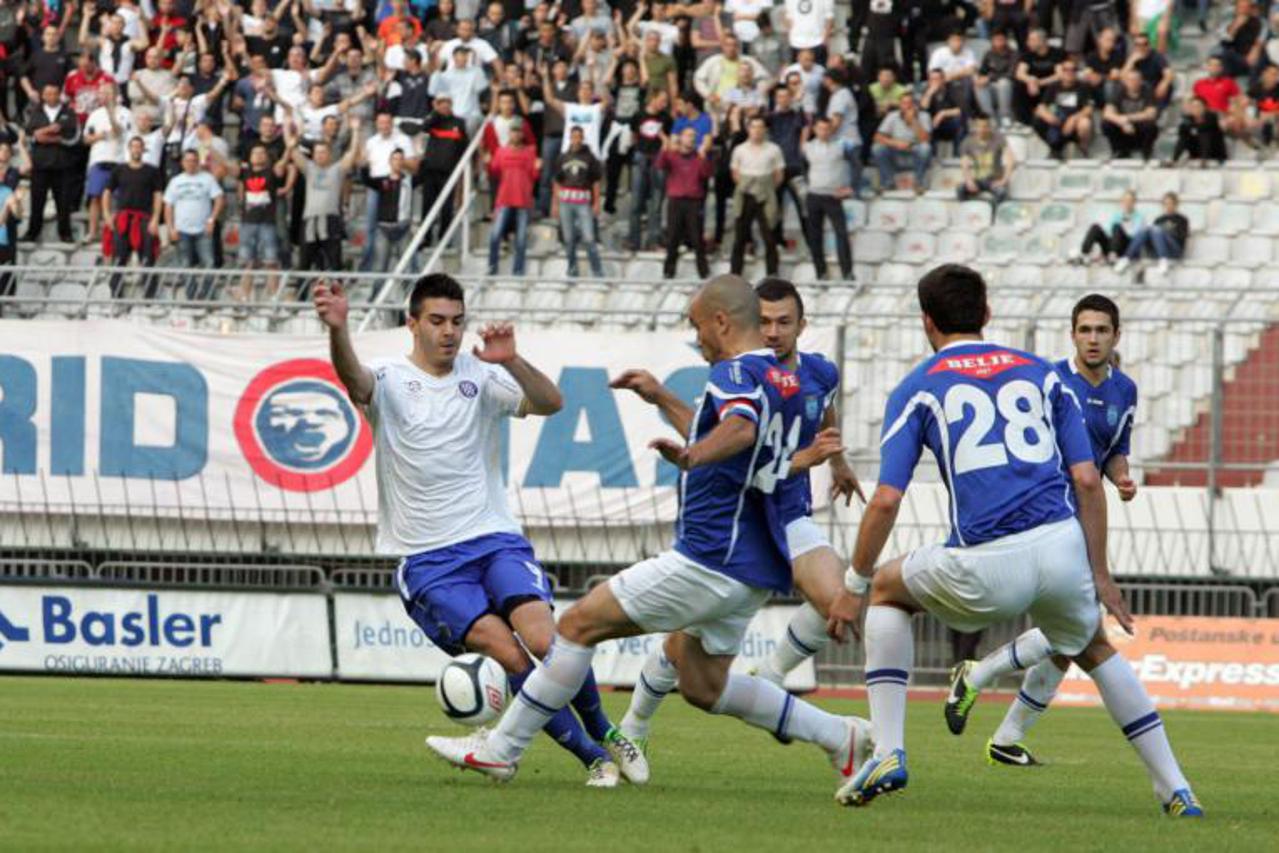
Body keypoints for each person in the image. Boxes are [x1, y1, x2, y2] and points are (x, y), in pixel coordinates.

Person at [425, 274, 871, 791]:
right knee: (705, 687)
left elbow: (742, 429)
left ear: (721, 322)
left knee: (576, 625)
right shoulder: (786, 381)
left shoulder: (734, 372)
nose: (697, 336)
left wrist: (694, 455)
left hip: (708, 557)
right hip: (752, 568)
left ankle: (501, 749)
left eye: (697, 325)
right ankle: (841, 736)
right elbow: (768, 461)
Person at [833, 264, 1202, 820]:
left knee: (886, 589)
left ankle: (888, 751)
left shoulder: (917, 386)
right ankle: (1176, 789)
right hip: (1060, 547)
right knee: (1095, 650)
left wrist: (852, 586)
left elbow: (885, 499)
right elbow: (1085, 479)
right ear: (987, 314)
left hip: (985, 561)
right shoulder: (1042, 374)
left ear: (926, 322)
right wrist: (1100, 575)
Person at [314, 274, 643, 788]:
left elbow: (551, 402)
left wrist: (510, 359)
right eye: (438, 321)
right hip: (428, 558)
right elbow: (355, 380)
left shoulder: (480, 374)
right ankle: (592, 759)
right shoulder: (389, 379)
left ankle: (605, 729)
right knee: (508, 653)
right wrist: (338, 329)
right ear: (413, 323)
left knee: (546, 637)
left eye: (457, 322)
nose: (449, 332)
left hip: (493, 536)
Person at [618, 279, 868, 712]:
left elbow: (824, 417)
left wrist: (839, 463)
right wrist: (661, 396)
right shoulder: (741, 373)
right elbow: (726, 443)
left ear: (801, 325)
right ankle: (636, 726)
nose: (773, 332)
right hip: (745, 518)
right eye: (765, 321)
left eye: (784, 322)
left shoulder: (821, 373)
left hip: (789, 516)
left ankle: (771, 672)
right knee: (685, 652)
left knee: (841, 603)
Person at [981, 293, 1140, 767]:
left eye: (1102, 330)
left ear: (1116, 335)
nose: (1093, 339)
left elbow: (1113, 449)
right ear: (1072, 334)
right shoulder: (1049, 381)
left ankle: (1006, 735)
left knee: (1070, 637)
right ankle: (979, 679)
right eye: (1085, 330)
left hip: (1084, 516)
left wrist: (1123, 475)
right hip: (1047, 516)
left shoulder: (1125, 390)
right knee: (1076, 630)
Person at [290, 121, 363, 283]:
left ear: (329, 154)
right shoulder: (309, 168)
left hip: (330, 220)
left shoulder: (336, 169)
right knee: (304, 263)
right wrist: (293, 136)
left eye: (323, 152)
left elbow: (351, 154)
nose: (320, 156)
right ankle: (300, 302)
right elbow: (293, 152)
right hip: (310, 221)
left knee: (335, 263)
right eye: (317, 153)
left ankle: (338, 299)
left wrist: (356, 131)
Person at [103, 135, 164, 299]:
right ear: (129, 149)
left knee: (148, 257)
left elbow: (158, 195)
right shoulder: (119, 170)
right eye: (133, 146)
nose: (136, 149)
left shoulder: (152, 171)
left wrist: (155, 218)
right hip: (123, 218)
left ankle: (150, 298)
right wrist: (107, 214)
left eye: (139, 146)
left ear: (143, 150)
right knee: (119, 258)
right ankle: (116, 296)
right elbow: (107, 192)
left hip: (144, 218)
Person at [163, 149, 224, 300]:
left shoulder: (207, 179)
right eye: (188, 160)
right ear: (182, 163)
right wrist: (171, 228)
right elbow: (168, 206)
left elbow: (219, 199)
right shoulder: (175, 181)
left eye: (194, 160)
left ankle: (207, 294)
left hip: (204, 229)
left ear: (198, 162)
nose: (191, 163)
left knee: (209, 263)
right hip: (182, 230)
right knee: (185, 264)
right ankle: (192, 296)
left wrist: (212, 220)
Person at [23, 82, 80, 243]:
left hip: (63, 165)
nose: (51, 96)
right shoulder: (34, 112)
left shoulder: (69, 113)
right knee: (37, 202)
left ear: (59, 94)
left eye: (54, 93)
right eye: (48, 93)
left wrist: (50, 137)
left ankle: (65, 233)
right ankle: (32, 233)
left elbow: (74, 138)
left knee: (63, 202)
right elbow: (27, 136)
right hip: (40, 166)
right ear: (42, 95)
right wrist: (42, 134)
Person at [656, 126, 714, 280]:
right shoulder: (672, 155)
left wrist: (703, 156)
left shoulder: (698, 157)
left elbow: (706, 173)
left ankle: (703, 272)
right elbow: (660, 164)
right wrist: (664, 145)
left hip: (694, 202)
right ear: (681, 138)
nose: (691, 138)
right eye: (688, 135)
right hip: (675, 200)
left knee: (697, 239)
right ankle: (668, 272)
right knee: (673, 238)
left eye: (694, 136)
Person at [236, 140, 291, 300]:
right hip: (248, 222)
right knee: (247, 262)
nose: (259, 155)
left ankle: (274, 296)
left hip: (268, 223)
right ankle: (244, 296)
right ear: (250, 157)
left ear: (267, 157)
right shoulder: (244, 173)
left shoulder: (271, 172)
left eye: (262, 153)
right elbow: (228, 167)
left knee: (271, 261)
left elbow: (282, 165)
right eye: (255, 153)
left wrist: (289, 147)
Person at [729, 115, 784, 275]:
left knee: (769, 237)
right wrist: (746, 185)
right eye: (754, 127)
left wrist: (766, 188)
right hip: (745, 193)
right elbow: (735, 172)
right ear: (748, 129)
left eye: (760, 127)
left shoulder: (774, 149)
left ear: (765, 129)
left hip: (766, 194)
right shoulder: (740, 149)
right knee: (739, 238)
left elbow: (779, 174)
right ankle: (735, 273)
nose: (757, 131)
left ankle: (772, 273)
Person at [802, 115, 855, 281]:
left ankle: (847, 272)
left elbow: (857, 165)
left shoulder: (840, 146)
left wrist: (851, 186)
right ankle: (821, 273)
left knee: (841, 234)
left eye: (827, 128)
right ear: (815, 130)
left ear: (831, 129)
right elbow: (803, 167)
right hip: (814, 195)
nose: (824, 132)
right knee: (815, 236)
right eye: (820, 128)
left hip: (833, 196)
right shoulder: (808, 147)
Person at [83, 82, 134, 245]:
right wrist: (102, 135)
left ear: (116, 94)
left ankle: (117, 231)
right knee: (95, 197)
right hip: (98, 160)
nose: (104, 95)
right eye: (101, 92)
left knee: (118, 199)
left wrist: (112, 116)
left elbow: (120, 132)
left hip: (119, 161)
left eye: (107, 92)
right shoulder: (95, 115)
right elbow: (86, 138)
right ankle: (93, 232)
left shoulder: (126, 113)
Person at [487, 115, 539, 276]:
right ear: (509, 134)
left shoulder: (530, 153)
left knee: (521, 240)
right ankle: (492, 267)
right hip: (504, 199)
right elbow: (494, 172)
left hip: (523, 200)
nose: (516, 135)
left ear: (522, 134)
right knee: (495, 236)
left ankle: (518, 270)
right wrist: (487, 162)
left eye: (518, 132)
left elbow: (534, 175)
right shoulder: (500, 151)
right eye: (513, 132)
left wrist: (538, 167)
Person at [552, 126, 605, 278]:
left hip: (583, 201)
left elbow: (595, 181)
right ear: (570, 138)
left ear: (582, 138)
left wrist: (596, 202)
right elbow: (557, 181)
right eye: (574, 136)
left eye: (579, 136)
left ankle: (597, 269)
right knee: (568, 239)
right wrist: (555, 203)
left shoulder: (589, 157)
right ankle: (572, 267)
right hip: (566, 201)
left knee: (589, 238)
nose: (576, 139)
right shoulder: (563, 157)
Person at [1114, 192, 1188, 276]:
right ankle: (1126, 258)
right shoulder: (1159, 219)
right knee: (1146, 229)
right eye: (1166, 203)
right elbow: (1153, 237)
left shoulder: (1182, 219)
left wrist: (1164, 232)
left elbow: (1181, 238)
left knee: (1156, 229)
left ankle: (1163, 260)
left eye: (1170, 203)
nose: (1168, 206)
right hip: (1158, 250)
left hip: (1174, 250)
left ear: (1176, 204)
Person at [871, 92, 932, 194]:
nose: (907, 106)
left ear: (915, 105)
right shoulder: (892, 116)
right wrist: (895, 143)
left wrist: (914, 121)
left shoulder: (924, 116)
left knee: (925, 148)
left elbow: (925, 139)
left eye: (910, 103)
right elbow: (877, 137)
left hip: (914, 150)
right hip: (896, 150)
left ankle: (918, 183)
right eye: (904, 103)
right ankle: (888, 182)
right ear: (900, 105)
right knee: (877, 148)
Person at [1032, 60, 1093, 160]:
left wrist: (1073, 119)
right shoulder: (1053, 86)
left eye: (1073, 69)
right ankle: (1054, 148)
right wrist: (1048, 116)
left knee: (1085, 123)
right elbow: (1042, 106)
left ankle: (1082, 149)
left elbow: (1089, 108)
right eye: (1066, 69)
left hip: (1073, 123)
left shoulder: (1082, 87)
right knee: (1038, 118)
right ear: (1061, 71)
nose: (1069, 72)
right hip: (1057, 120)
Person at [957, 113, 1014, 208]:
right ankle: (969, 211)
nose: (982, 129)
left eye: (985, 126)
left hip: (994, 180)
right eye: (979, 126)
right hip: (977, 180)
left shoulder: (999, 138)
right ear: (975, 127)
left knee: (1002, 193)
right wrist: (968, 180)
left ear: (989, 127)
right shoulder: (968, 141)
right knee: (960, 189)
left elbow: (1010, 159)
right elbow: (964, 163)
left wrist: (1004, 180)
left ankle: (992, 217)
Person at [1070, 189, 1143, 264]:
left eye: (1130, 201)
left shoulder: (1138, 217)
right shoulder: (1117, 215)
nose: (1127, 203)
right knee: (1096, 227)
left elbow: (1134, 235)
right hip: (1112, 244)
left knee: (1117, 226)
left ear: (1134, 202)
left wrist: (1124, 224)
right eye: (1125, 200)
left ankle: (1113, 254)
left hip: (1125, 247)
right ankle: (1084, 253)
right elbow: (1109, 232)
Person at [1102, 69, 1158, 160]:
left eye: (1136, 80)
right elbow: (1107, 113)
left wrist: (1127, 118)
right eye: (1130, 80)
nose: (1133, 82)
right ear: (1125, 82)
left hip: (1139, 128)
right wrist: (1122, 122)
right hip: (1122, 129)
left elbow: (1151, 113)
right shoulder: (1118, 91)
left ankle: (1146, 152)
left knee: (1151, 126)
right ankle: (1119, 151)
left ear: (1141, 81)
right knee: (1106, 124)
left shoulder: (1147, 90)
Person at [974, 28, 1017, 129]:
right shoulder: (988, 54)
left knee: (1004, 83)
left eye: (1001, 39)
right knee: (979, 85)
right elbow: (982, 72)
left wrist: (989, 78)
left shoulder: (1013, 54)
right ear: (992, 41)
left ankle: (1004, 116)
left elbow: (1010, 74)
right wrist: (979, 79)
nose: (998, 42)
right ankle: (990, 118)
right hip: (992, 86)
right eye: (995, 39)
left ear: (1006, 40)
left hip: (1008, 86)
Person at [1168, 96, 1227, 166]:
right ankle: (1174, 160)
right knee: (1184, 137)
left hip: (1213, 151)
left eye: (1198, 106)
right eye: (1193, 106)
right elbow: (1182, 133)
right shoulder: (1187, 119)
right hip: (1196, 151)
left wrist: (1193, 129)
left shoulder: (1212, 117)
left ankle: (1204, 160)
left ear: (1204, 107)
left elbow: (1205, 129)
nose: (1196, 108)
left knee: (1204, 134)